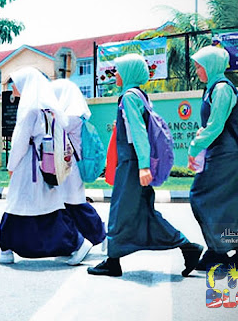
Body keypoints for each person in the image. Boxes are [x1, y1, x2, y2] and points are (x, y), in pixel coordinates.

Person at [87, 54, 202, 277]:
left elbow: (139, 133)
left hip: (131, 165)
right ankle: (188, 247)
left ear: (129, 72)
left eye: (118, 70)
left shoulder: (129, 97)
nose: (115, 75)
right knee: (144, 214)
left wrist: (142, 166)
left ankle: (113, 261)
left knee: (120, 211)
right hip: (133, 163)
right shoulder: (140, 95)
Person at [0, 67, 92, 265]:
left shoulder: (30, 108)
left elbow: (19, 141)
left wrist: (11, 166)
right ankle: (75, 243)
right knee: (46, 209)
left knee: (18, 205)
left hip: (29, 166)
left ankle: (7, 251)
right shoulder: (47, 106)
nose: (12, 88)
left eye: (15, 83)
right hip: (44, 165)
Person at [187, 46, 238, 270]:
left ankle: (219, 251)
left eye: (200, 66)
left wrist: (194, 147)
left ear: (211, 66)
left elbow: (216, 126)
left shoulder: (221, 89)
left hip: (226, 155)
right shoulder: (214, 89)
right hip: (229, 154)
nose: (197, 70)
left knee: (201, 195)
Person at [50, 78, 106, 247]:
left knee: (77, 207)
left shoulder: (70, 118)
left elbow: (51, 132)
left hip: (71, 170)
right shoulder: (76, 115)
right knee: (70, 207)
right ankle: (76, 242)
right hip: (68, 169)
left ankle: (101, 236)